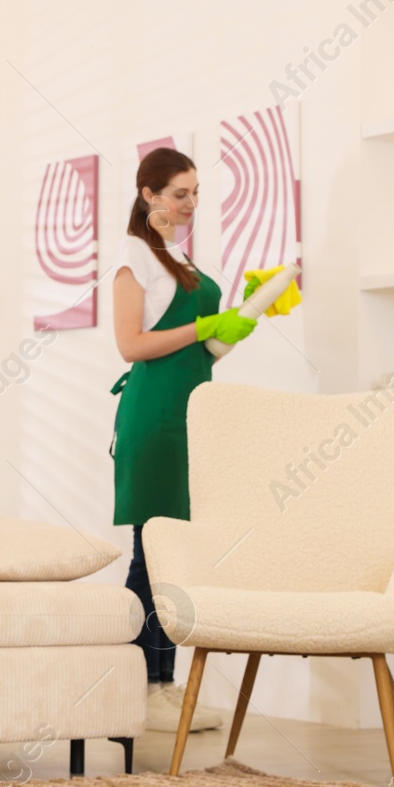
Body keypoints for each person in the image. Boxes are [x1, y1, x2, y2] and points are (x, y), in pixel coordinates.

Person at [109, 148, 255, 734]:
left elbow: (198, 348)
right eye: (179, 193)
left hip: (192, 417)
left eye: (195, 192)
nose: (190, 204)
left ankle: (161, 687)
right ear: (148, 195)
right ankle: (143, 687)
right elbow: (132, 345)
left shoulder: (176, 255)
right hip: (153, 418)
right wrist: (203, 327)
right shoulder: (134, 258)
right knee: (153, 559)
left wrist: (239, 323)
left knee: (175, 560)